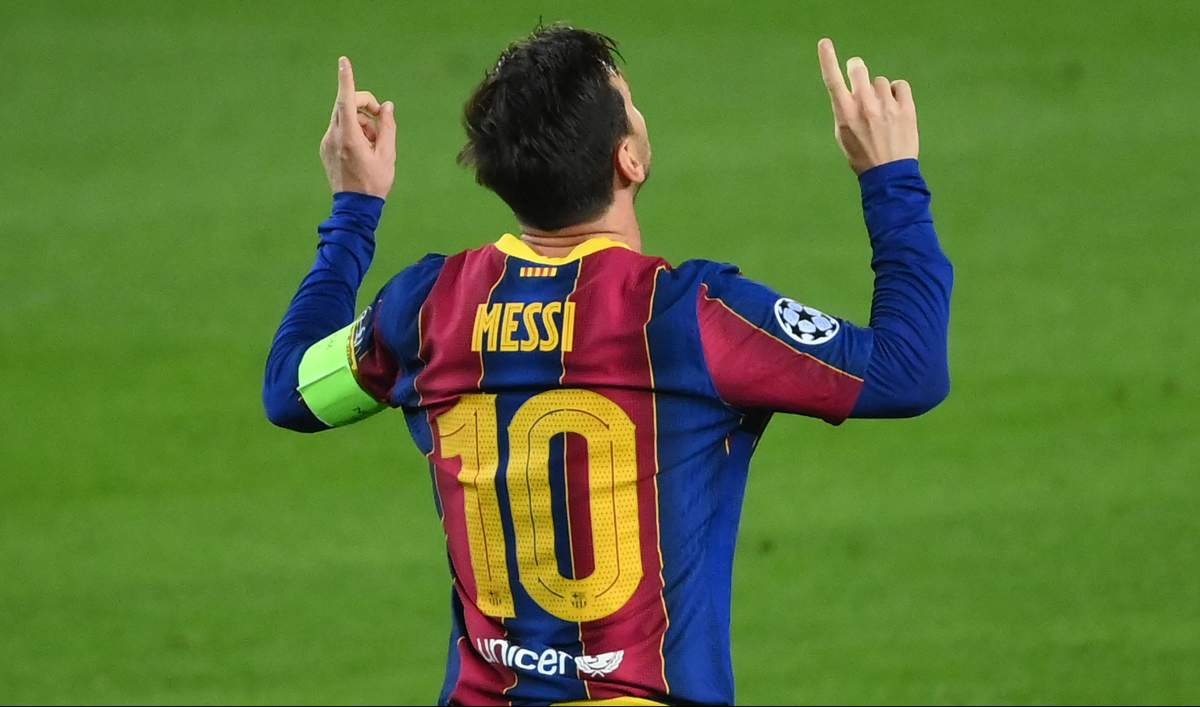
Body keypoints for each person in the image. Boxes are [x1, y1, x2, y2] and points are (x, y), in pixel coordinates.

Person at [263, 25, 952, 706]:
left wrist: (354, 209)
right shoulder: (688, 316)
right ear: (629, 160)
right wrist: (889, 176)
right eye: (631, 103)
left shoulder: (425, 307)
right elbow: (907, 371)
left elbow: (291, 390)